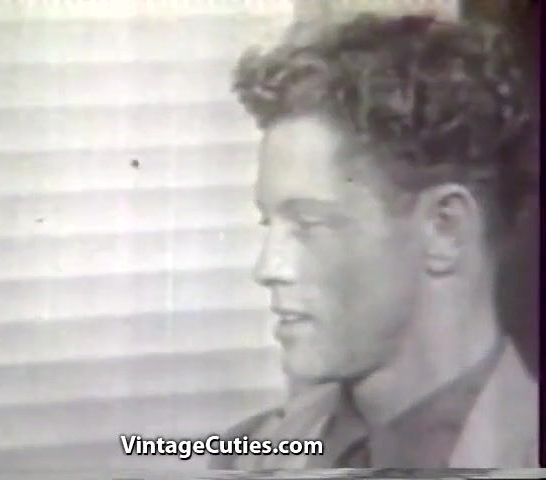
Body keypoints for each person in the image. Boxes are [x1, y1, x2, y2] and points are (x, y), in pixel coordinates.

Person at [210, 14, 538, 469]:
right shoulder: (246, 455)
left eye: (310, 224)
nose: (268, 268)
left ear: (445, 229)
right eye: (270, 224)